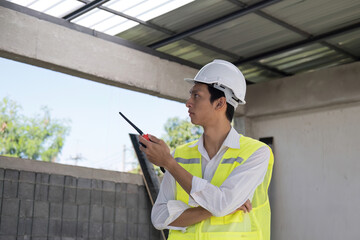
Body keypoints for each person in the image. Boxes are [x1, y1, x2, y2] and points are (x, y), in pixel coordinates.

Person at [139, 59, 274, 240]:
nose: (188, 102)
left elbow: (221, 204)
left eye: (196, 96)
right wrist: (215, 209)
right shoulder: (181, 155)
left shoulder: (257, 153)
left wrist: (169, 163)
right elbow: (159, 217)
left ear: (219, 103)